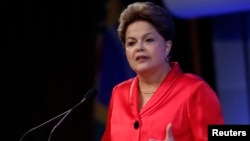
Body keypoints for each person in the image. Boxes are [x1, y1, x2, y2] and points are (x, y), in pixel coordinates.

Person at [101, 1, 224, 141]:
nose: (139, 48)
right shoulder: (119, 93)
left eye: (148, 40)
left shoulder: (195, 90)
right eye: (131, 43)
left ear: (167, 47)